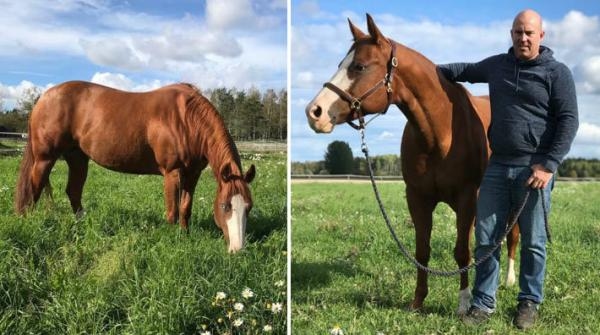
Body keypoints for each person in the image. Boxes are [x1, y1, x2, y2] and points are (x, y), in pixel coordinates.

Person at [438, 9, 579, 329]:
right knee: (486, 237)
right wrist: (421, 71)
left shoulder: (557, 73)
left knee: (533, 241)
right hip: (498, 165)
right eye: (518, 32)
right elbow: (463, 70)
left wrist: (549, 165)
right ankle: (483, 303)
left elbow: (569, 121)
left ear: (541, 36)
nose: (523, 38)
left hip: (536, 169)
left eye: (529, 33)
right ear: (511, 34)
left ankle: (529, 302)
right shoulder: (498, 65)